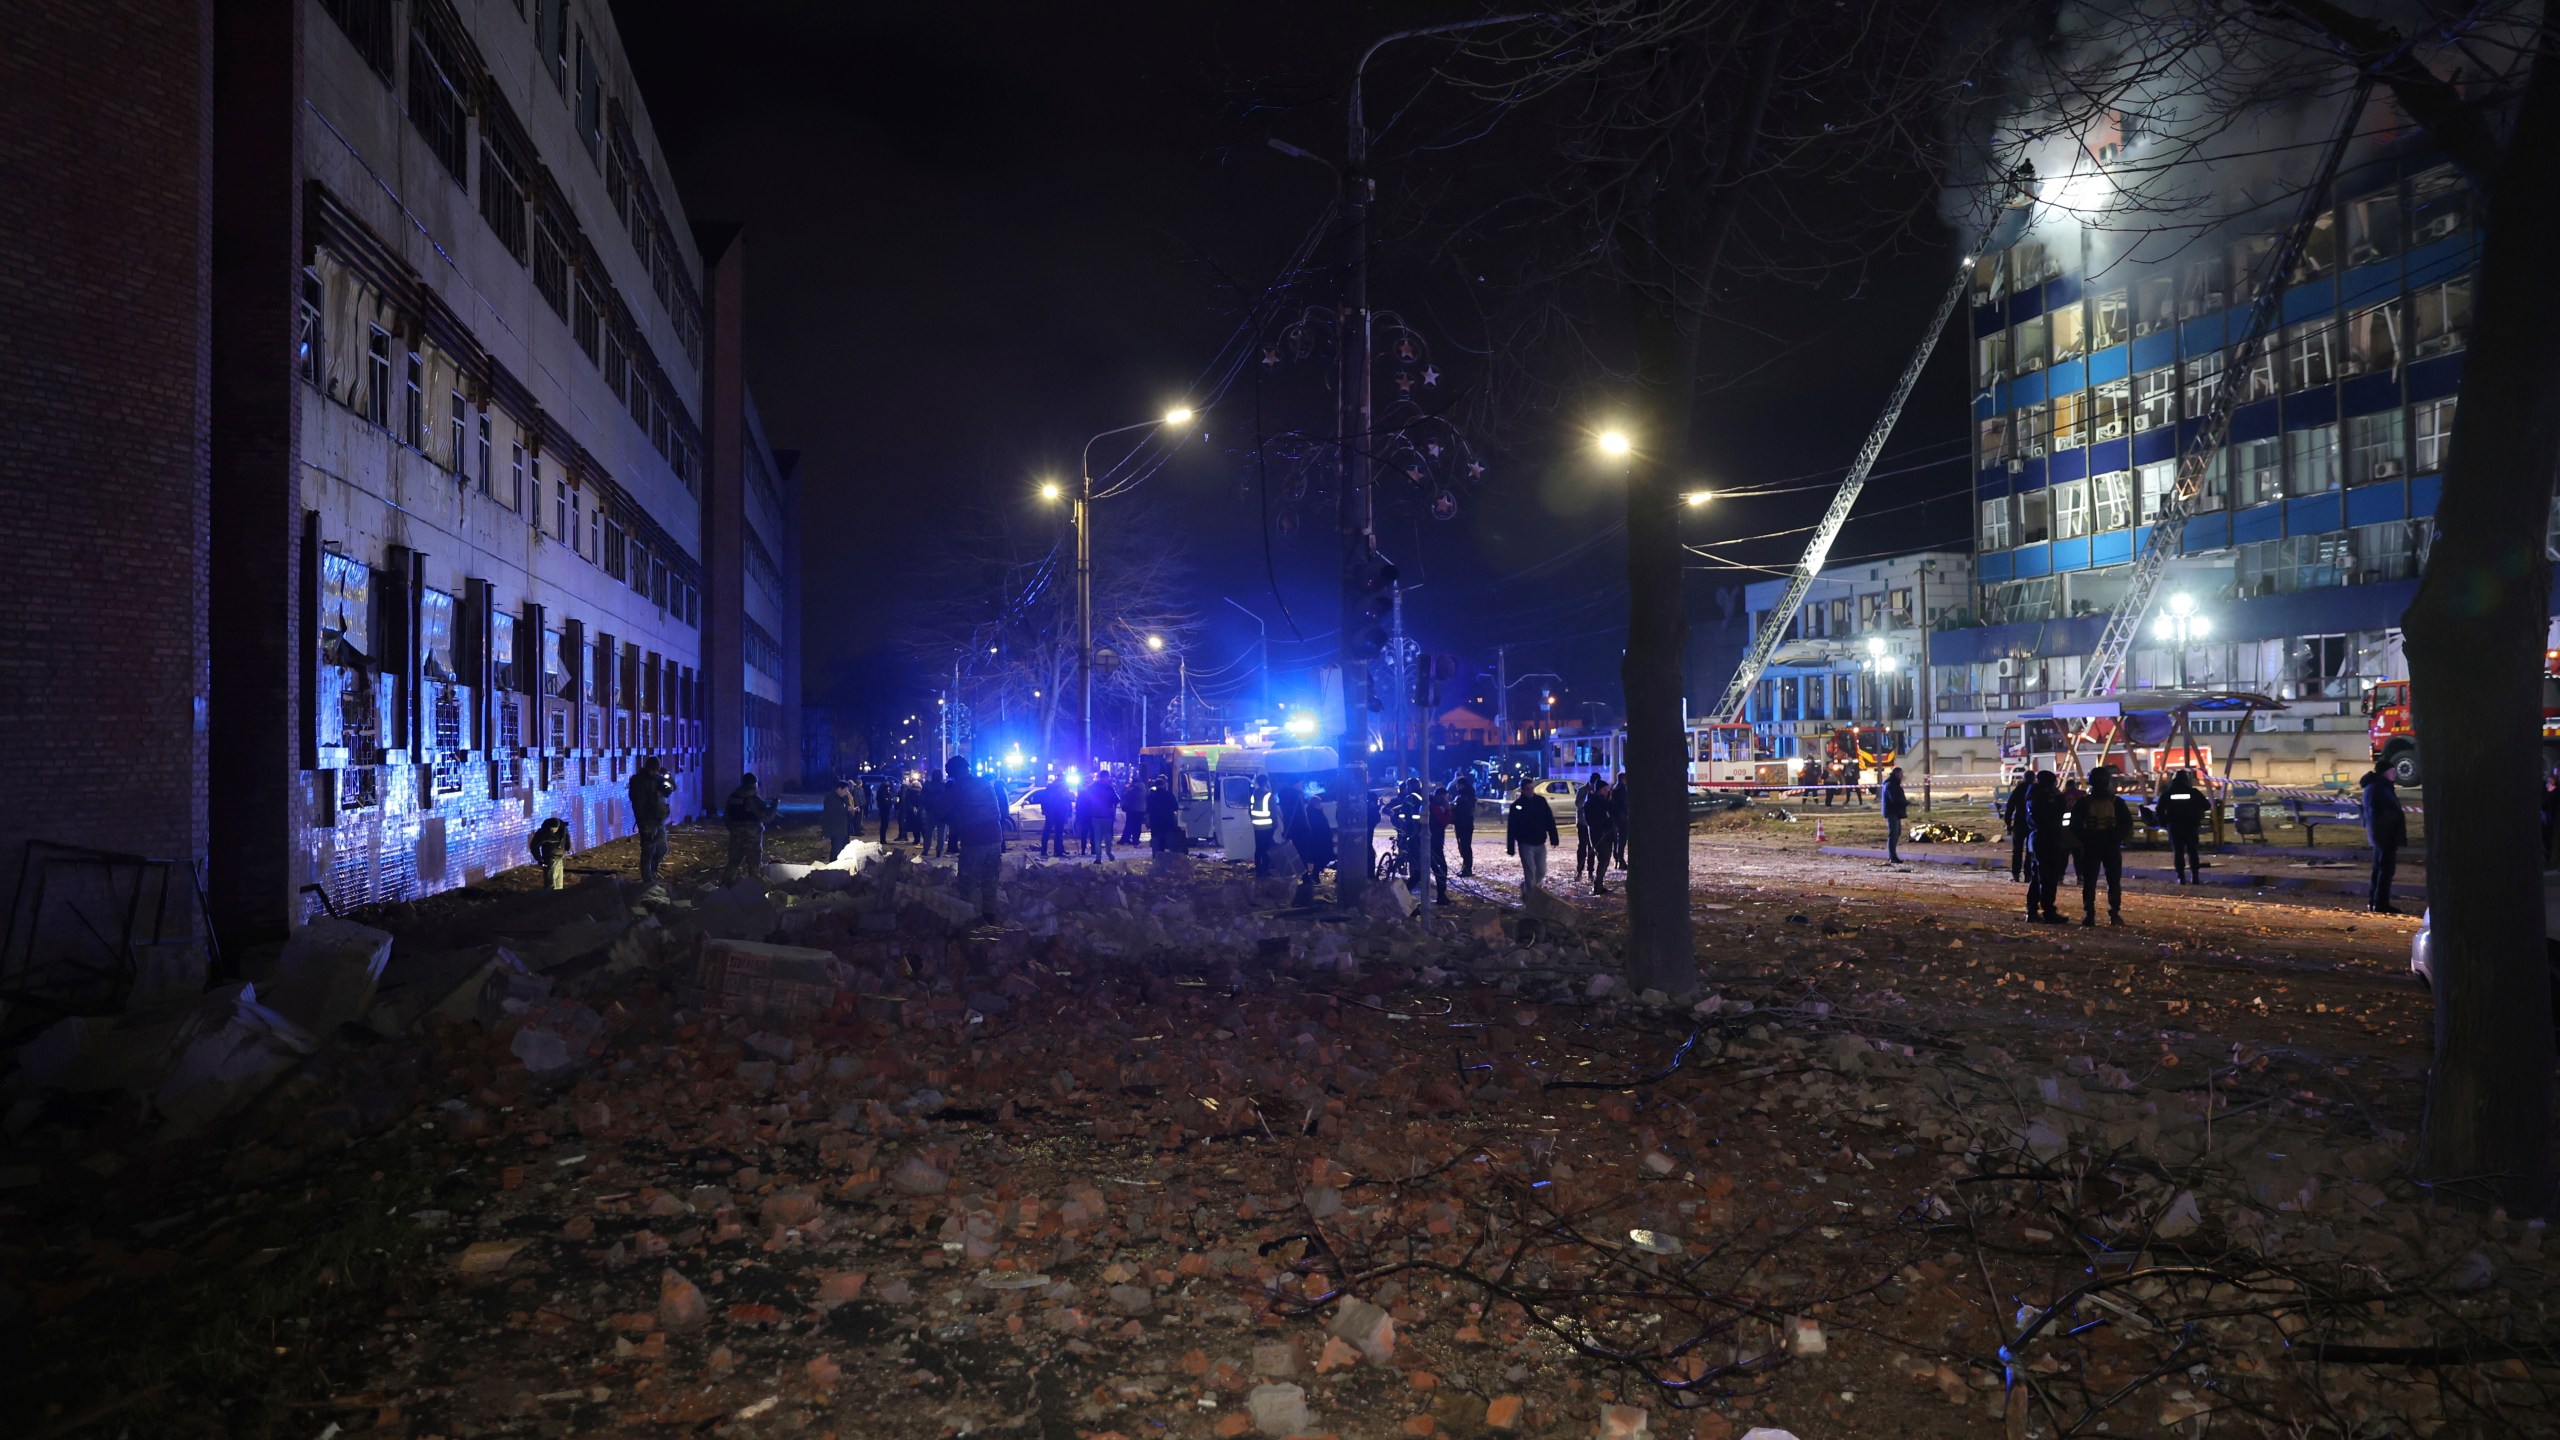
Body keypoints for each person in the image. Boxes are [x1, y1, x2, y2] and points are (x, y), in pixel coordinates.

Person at [943, 754, 1006, 924]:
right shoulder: (984, 782)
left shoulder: (959, 788)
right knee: (990, 879)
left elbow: (946, 811)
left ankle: (969, 919)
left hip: (975, 839)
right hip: (994, 836)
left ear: (954, 773)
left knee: (967, 881)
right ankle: (989, 917)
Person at [2069, 767, 2135, 927]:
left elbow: (2075, 825)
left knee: (2090, 881)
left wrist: (2086, 839)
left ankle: (2089, 914)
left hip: (2092, 845)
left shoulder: (2084, 802)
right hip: (2110, 845)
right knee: (2113, 881)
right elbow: (2126, 823)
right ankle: (2114, 913)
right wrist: (2116, 838)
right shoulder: (2116, 802)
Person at [2360, 768, 2406, 914]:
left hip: (2382, 834)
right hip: (2384, 834)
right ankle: (2380, 903)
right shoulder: (2378, 788)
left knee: (2380, 869)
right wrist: (2394, 820)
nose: (2395, 774)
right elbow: (2379, 812)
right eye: (2392, 771)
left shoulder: (2378, 787)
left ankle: (2376, 902)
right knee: (2384, 869)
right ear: (2384, 772)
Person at [2025, 770, 2067, 923]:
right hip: (2047, 838)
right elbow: (2058, 811)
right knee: (2048, 877)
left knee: (2038, 875)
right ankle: (2048, 911)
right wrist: (2057, 796)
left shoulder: (2033, 796)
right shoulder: (2042, 799)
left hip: (2037, 838)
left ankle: (2033, 909)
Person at [1287, 781, 1336, 906]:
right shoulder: (1312, 813)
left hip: (1321, 842)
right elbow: (1317, 827)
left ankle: (1313, 874)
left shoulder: (1314, 812)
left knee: (1321, 859)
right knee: (1321, 858)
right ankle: (1313, 875)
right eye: (1318, 803)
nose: (1321, 805)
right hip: (1318, 843)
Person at [2155, 769, 2209, 883]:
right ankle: (2195, 876)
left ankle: (2181, 877)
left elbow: (2159, 809)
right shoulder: (2194, 792)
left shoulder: (2168, 794)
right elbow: (2207, 805)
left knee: (2178, 852)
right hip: (2191, 825)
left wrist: (2164, 823)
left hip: (2174, 826)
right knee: (2193, 851)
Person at [721, 773, 776, 883]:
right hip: (752, 838)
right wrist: (775, 805)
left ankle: (723, 892)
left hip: (736, 837)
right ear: (754, 785)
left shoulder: (732, 798)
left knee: (733, 865)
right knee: (754, 868)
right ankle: (753, 894)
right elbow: (766, 817)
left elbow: (726, 817)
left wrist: (734, 830)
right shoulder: (754, 799)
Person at [1508, 776, 1560, 892]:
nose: (1530, 791)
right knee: (1530, 871)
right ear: (1523, 790)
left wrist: (1554, 837)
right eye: (1528, 789)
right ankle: (1529, 896)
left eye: (1532, 788)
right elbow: (1511, 827)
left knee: (1541, 870)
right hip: (1525, 843)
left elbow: (1549, 820)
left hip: (1540, 842)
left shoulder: (1540, 801)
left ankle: (1527, 887)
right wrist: (1510, 846)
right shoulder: (1517, 805)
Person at [629, 756, 675, 887]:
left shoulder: (657, 779)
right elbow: (638, 804)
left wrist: (667, 776)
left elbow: (671, 788)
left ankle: (653, 872)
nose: (654, 772)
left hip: (658, 820)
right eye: (654, 769)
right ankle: (647, 881)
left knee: (662, 848)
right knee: (648, 851)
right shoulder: (639, 781)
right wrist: (642, 822)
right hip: (647, 821)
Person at [1389, 777, 1431, 907]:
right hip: (1423, 834)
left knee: (1417, 864)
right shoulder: (1424, 796)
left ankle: (1404, 893)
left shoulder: (1411, 798)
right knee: (1422, 865)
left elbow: (1405, 814)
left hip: (1413, 834)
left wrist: (1402, 821)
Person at [1583, 778, 1620, 895]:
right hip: (1599, 835)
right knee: (1603, 858)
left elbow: (1615, 813)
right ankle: (1597, 884)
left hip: (1608, 835)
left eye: (1607, 789)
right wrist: (1601, 829)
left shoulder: (1606, 802)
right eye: (1604, 789)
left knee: (1605, 859)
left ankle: (1599, 883)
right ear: (1599, 790)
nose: (1606, 791)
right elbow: (1592, 821)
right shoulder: (1591, 803)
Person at [1082, 769, 1121, 862]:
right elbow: (1117, 799)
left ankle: (1098, 857)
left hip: (1095, 814)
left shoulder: (1092, 787)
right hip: (1107, 815)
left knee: (1097, 836)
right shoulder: (1110, 787)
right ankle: (1109, 852)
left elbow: (1086, 799)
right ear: (1107, 777)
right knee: (1107, 835)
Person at [2001, 770, 2032, 882]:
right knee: (2030, 851)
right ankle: (2028, 875)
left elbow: (2010, 807)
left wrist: (2008, 824)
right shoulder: (2037, 789)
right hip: (2032, 825)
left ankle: (2016, 874)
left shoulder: (2019, 789)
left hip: (2019, 823)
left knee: (2017, 850)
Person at [529, 815, 573, 891]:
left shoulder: (563, 830)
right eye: (551, 830)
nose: (552, 832)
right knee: (550, 884)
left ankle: (557, 898)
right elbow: (534, 846)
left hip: (559, 859)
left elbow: (566, 838)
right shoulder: (543, 833)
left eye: (553, 830)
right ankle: (550, 899)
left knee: (558, 883)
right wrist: (539, 859)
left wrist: (568, 847)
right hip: (550, 860)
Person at [1426, 781, 1453, 904]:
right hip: (1434, 843)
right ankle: (1441, 896)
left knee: (1421, 871)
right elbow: (1444, 822)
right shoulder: (1434, 808)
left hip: (1431, 842)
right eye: (1445, 798)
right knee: (1441, 869)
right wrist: (1447, 809)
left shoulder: (1430, 804)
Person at [820, 773, 855, 862]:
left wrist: (851, 811)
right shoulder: (831, 798)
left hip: (843, 829)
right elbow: (833, 812)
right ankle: (833, 867)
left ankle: (841, 866)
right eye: (845, 790)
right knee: (836, 850)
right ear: (839, 789)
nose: (847, 792)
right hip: (836, 829)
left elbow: (844, 809)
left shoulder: (842, 797)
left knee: (843, 849)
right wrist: (846, 809)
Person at [1880, 766, 1911, 864]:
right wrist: (1906, 802)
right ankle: (1892, 856)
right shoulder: (1890, 785)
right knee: (1893, 834)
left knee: (1896, 833)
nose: (1902, 776)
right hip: (1891, 812)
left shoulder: (1892, 784)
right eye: (1901, 774)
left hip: (1895, 812)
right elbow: (1895, 799)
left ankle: (1893, 856)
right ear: (1897, 774)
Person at [1248, 775, 1277, 876]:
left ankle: (1258, 869)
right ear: (1266, 782)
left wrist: (1254, 820)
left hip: (1257, 826)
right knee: (1266, 849)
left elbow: (1250, 810)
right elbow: (1273, 811)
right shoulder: (1268, 795)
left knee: (1259, 849)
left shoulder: (1254, 794)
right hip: (1267, 827)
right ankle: (1265, 870)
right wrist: (1275, 824)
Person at [1451, 772, 1478, 878]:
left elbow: (1461, 810)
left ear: (1463, 785)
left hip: (1463, 824)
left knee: (1465, 847)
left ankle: (1467, 869)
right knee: (1464, 847)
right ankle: (1466, 868)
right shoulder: (1465, 796)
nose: (1457, 787)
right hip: (1464, 824)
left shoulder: (1463, 797)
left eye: (1458, 785)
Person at [1038, 777, 1073, 859]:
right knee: (1058, 833)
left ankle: (1045, 850)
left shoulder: (1050, 788)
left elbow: (1044, 800)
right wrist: (1068, 812)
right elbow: (1067, 801)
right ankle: (1057, 851)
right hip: (1058, 813)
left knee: (1049, 832)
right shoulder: (1061, 789)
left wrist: (1044, 810)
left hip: (1052, 813)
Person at [1146, 777, 1183, 854]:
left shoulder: (1151, 796)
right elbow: (1175, 807)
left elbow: (1148, 809)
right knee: (1171, 842)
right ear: (1164, 785)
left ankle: (1156, 860)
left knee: (1156, 843)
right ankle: (1174, 860)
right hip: (1167, 822)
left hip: (1155, 822)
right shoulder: (1169, 795)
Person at [921, 770, 950, 856]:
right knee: (941, 833)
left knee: (928, 832)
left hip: (930, 811)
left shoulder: (927, 786)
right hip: (942, 812)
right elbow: (947, 800)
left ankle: (926, 849)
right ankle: (939, 851)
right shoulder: (944, 786)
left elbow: (922, 798)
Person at [1121, 772, 1147, 846]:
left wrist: (1126, 788)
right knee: (1138, 826)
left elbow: (1125, 795)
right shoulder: (1144, 789)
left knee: (1129, 824)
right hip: (1141, 809)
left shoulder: (1133, 789)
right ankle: (1136, 840)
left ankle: (1125, 839)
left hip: (1132, 809)